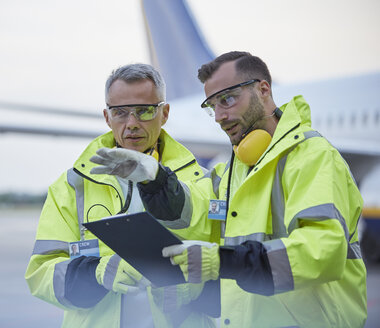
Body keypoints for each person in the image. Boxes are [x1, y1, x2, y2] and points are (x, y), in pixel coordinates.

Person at [92, 52, 367, 327]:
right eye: (212, 105)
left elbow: (323, 251)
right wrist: (155, 178)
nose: (219, 117)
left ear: (263, 90)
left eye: (227, 99)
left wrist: (223, 261)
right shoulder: (234, 171)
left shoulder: (312, 157)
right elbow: (195, 212)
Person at [25, 63, 219, 328]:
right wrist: (96, 274)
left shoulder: (203, 183)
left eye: (144, 111)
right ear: (107, 117)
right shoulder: (72, 186)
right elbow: (41, 274)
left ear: (164, 113)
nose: (132, 124)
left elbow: (233, 267)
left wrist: (196, 289)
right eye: (120, 113)